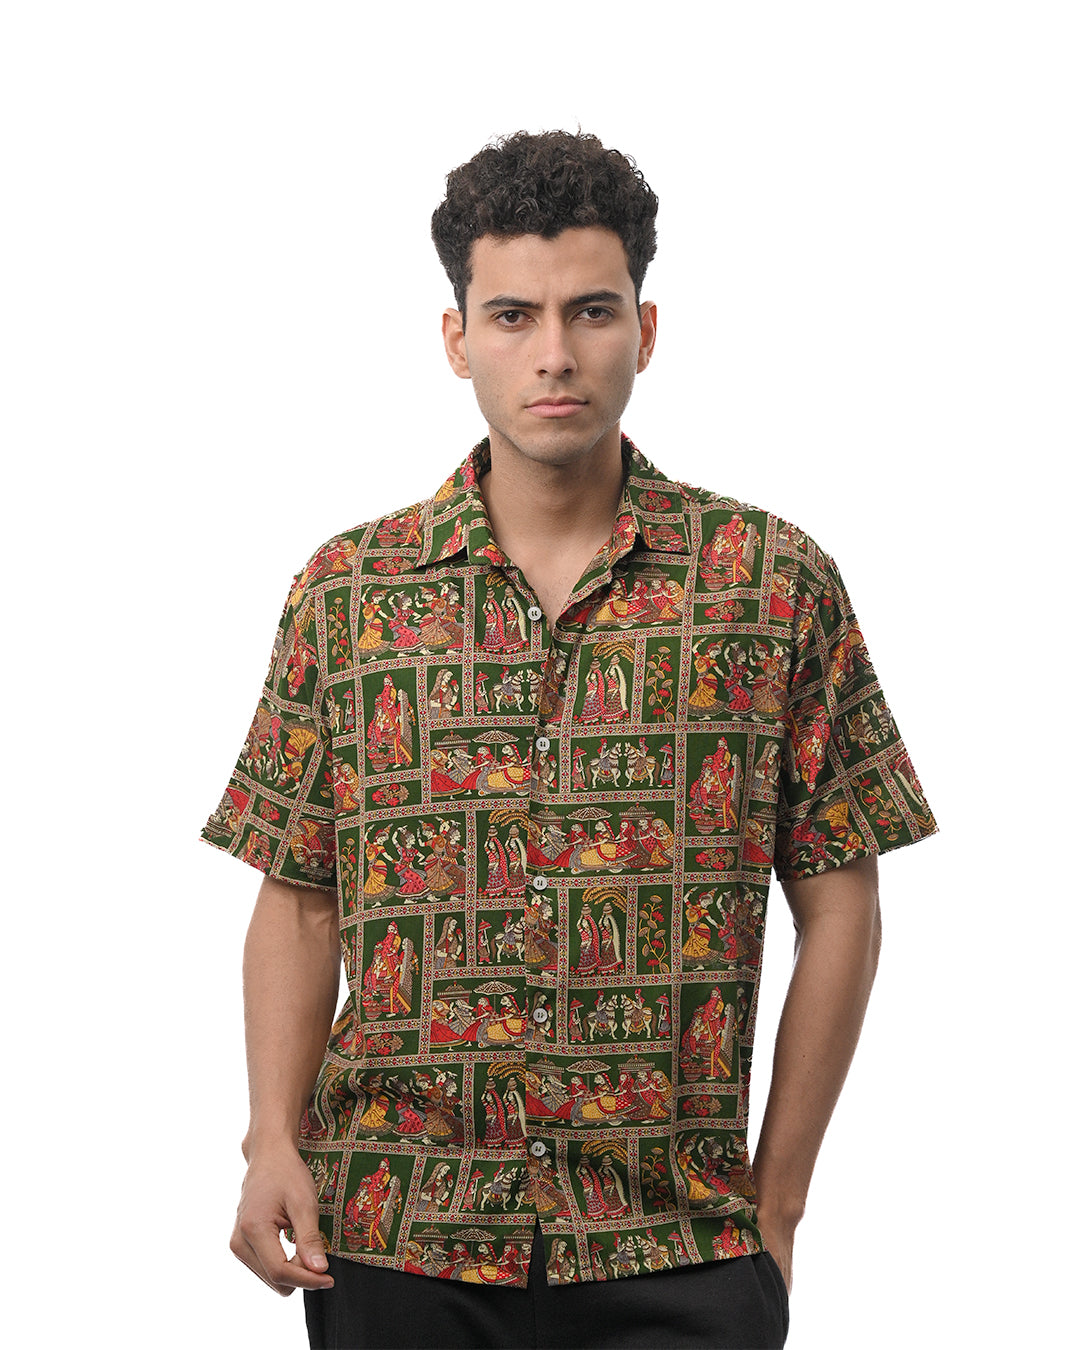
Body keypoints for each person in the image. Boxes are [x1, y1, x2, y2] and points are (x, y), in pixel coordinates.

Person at [201, 130, 937, 1350]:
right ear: (457, 340)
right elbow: (298, 897)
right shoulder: (349, 592)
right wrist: (270, 1138)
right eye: (513, 316)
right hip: (395, 1233)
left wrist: (781, 1203)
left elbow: (841, 898)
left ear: (644, 329)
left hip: (678, 1242)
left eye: (591, 312)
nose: (554, 354)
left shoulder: (769, 583)